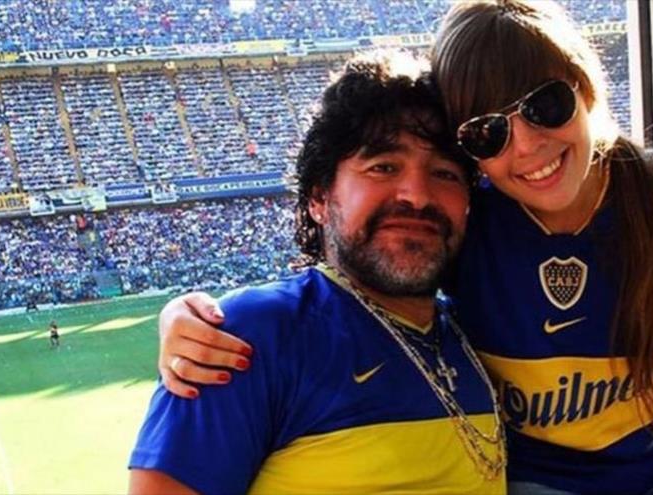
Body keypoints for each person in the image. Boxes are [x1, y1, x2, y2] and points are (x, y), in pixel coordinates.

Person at [155, 1, 653, 494]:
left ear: (587, 89)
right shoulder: (471, 216)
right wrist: (187, 318)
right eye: (487, 132)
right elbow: (357, 277)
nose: (525, 146)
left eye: (545, 105)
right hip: (535, 477)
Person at [128, 50, 506, 495]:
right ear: (318, 198)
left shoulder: (479, 334)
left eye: (445, 173)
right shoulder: (248, 336)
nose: (417, 195)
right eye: (383, 167)